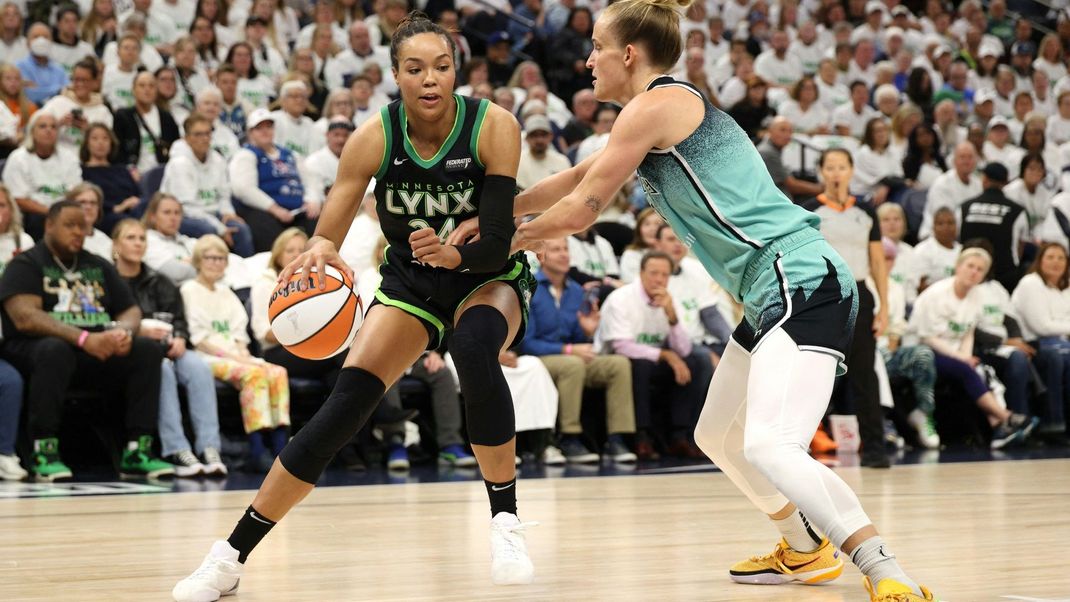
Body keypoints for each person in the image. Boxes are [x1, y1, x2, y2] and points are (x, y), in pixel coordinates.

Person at [468, 0, 937, 598]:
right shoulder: (649, 117)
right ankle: (803, 549)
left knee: (770, 443)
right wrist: (482, 214)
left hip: (799, 276)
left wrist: (494, 239)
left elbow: (584, 209)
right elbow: (573, 181)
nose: (587, 61)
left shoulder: (657, 105)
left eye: (597, 49)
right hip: (769, 290)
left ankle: (884, 569)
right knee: (717, 434)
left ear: (629, 55)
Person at [173, 15, 537, 601]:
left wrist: (453, 255)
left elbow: (496, 239)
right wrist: (316, 257)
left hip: (486, 276)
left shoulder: (494, 126)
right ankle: (230, 554)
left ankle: (506, 523)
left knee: (472, 349)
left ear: (456, 72)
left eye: (441, 67)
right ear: (394, 75)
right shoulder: (374, 137)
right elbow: (327, 234)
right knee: (345, 406)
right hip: (413, 280)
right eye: (414, 68)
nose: (429, 80)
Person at [0, 200, 173, 481]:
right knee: (54, 350)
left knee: (147, 350)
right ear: (49, 225)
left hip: (94, 349)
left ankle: (137, 450)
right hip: (35, 351)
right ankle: (44, 450)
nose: (79, 232)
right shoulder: (27, 263)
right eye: (70, 225)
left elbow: (130, 309)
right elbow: (25, 317)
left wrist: (123, 332)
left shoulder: (97, 264)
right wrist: (83, 338)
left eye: (84, 226)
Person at [112, 219, 227, 477]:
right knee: (160, 367)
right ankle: (176, 448)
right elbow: (105, 320)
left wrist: (180, 338)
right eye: (131, 238)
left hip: (166, 346)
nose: (138, 243)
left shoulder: (159, 280)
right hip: (129, 351)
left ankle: (210, 447)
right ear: (116, 245)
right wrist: (138, 330)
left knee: (198, 367)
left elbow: (178, 319)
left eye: (142, 238)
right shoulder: (109, 279)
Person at [802, 149, 890, 468]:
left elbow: (878, 261)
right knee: (817, 371)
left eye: (842, 167)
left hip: (861, 293)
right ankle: (803, 440)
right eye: (830, 167)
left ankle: (875, 446)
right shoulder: (809, 212)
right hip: (826, 296)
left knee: (865, 372)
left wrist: (885, 307)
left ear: (851, 171)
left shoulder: (866, 211)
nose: (836, 173)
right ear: (821, 172)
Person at [909, 247, 1039, 449]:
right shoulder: (936, 294)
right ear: (958, 267)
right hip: (923, 351)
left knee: (982, 370)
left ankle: (999, 428)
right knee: (967, 369)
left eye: (980, 269)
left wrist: (966, 356)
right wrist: (962, 359)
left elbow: (968, 332)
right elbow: (928, 337)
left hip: (956, 354)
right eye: (970, 266)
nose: (974, 272)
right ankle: (1006, 417)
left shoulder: (977, 296)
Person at [521, 237, 637, 463]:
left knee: (618, 364)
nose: (564, 254)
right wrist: (568, 349)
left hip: (568, 356)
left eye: (566, 249)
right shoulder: (530, 288)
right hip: (537, 359)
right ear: (541, 257)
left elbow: (577, 339)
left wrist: (587, 332)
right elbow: (527, 343)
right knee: (572, 365)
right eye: (556, 249)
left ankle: (617, 439)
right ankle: (569, 437)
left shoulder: (576, 291)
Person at [180, 234, 290, 473]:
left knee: (277, 372)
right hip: (208, 358)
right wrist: (239, 359)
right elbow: (200, 341)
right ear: (199, 260)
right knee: (255, 375)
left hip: (236, 355)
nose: (216, 263)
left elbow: (240, 333)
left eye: (221, 258)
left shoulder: (226, 292)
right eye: (210, 258)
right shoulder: (189, 290)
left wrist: (244, 355)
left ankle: (281, 449)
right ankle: (257, 450)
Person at [161, 113, 254, 257]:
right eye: (198, 134)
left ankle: (245, 273)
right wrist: (219, 228)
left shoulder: (218, 160)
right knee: (208, 231)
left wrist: (228, 214)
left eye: (207, 133)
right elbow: (187, 206)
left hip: (213, 214)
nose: (204, 139)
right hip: (182, 215)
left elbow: (224, 196)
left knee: (241, 229)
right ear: (186, 139)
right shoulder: (180, 164)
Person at [227, 108, 317, 252]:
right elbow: (243, 189)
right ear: (250, 132)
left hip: (298, 210)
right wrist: (275, 209)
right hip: (266, 212)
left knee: (318, 224)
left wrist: (312, 200)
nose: (265, 131)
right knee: (268, 228)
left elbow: (310, 179)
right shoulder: (246, 155)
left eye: (269, 127)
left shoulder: (290, 154)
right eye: (259, 128)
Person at [1011, 242, 1070, 436]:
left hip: (1061, 342)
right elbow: (1042, 326)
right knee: (1057, 357)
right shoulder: (1031, 283)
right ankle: (1053, 425)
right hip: (1031, 343)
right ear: (1040, 260)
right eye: (1051, 257)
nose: (1056, 262)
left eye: (1061, 258)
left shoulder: (1066, 286)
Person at [2, 112, 82, 239]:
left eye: (53, 127)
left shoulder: (69, 157)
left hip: (65, 210)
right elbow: (17, 198)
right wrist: (50, 212)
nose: (49, 130)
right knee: (39, 221)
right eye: (43, 126)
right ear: (32, 131)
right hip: (33, 215)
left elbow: (77, 192)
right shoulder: (18, 158)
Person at [957, 162, 1029, 292]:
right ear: (1006, 183)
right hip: (1006, 278)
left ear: (984, 179)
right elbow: (1020, 246)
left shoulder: (964, 207)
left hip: (969, 274)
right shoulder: (1018, 211)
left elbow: (956, 238)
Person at [39, 58, 113, 156]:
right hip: (57, 157)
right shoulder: (56, 102)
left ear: (95, 82)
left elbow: (108, 145)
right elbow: (37, 129)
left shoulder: (103, 111)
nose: (80, 84)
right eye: (76, 79)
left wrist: (90, 131)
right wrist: (58, 124)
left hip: (87, 161)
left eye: (85, 80)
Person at [112, 70, 181, 175]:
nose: (147, 89)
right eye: (142, 85)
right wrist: (129, 169)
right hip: (133, 174)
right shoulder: (123, 116)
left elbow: (176, 146)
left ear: (156, 90)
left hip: (163, 172)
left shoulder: (166, 118)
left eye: (151, 86)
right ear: (133, 90)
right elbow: (116, 151)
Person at [80, 123, 142, 234]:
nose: (100, 143)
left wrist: (136, 202)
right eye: (95, 138)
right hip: (106, 216)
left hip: (133, 211)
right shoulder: (82, 171)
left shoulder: (122, 169)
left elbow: (137, 193)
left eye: (105, 138)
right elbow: (88, 198)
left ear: (111, 143)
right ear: (87, 143)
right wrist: (119, 207)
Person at [67, 183, 113, 261]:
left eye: (93, 203)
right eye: (82, 202)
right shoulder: (62, 238)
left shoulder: (105, 240)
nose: (88, 207)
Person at [619, 207, 662, 284]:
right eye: (647, 224)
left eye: (657, 224)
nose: (652, 229)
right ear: (639, 229)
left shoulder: (675, 254)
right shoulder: (631, 255)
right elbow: (633, 282)